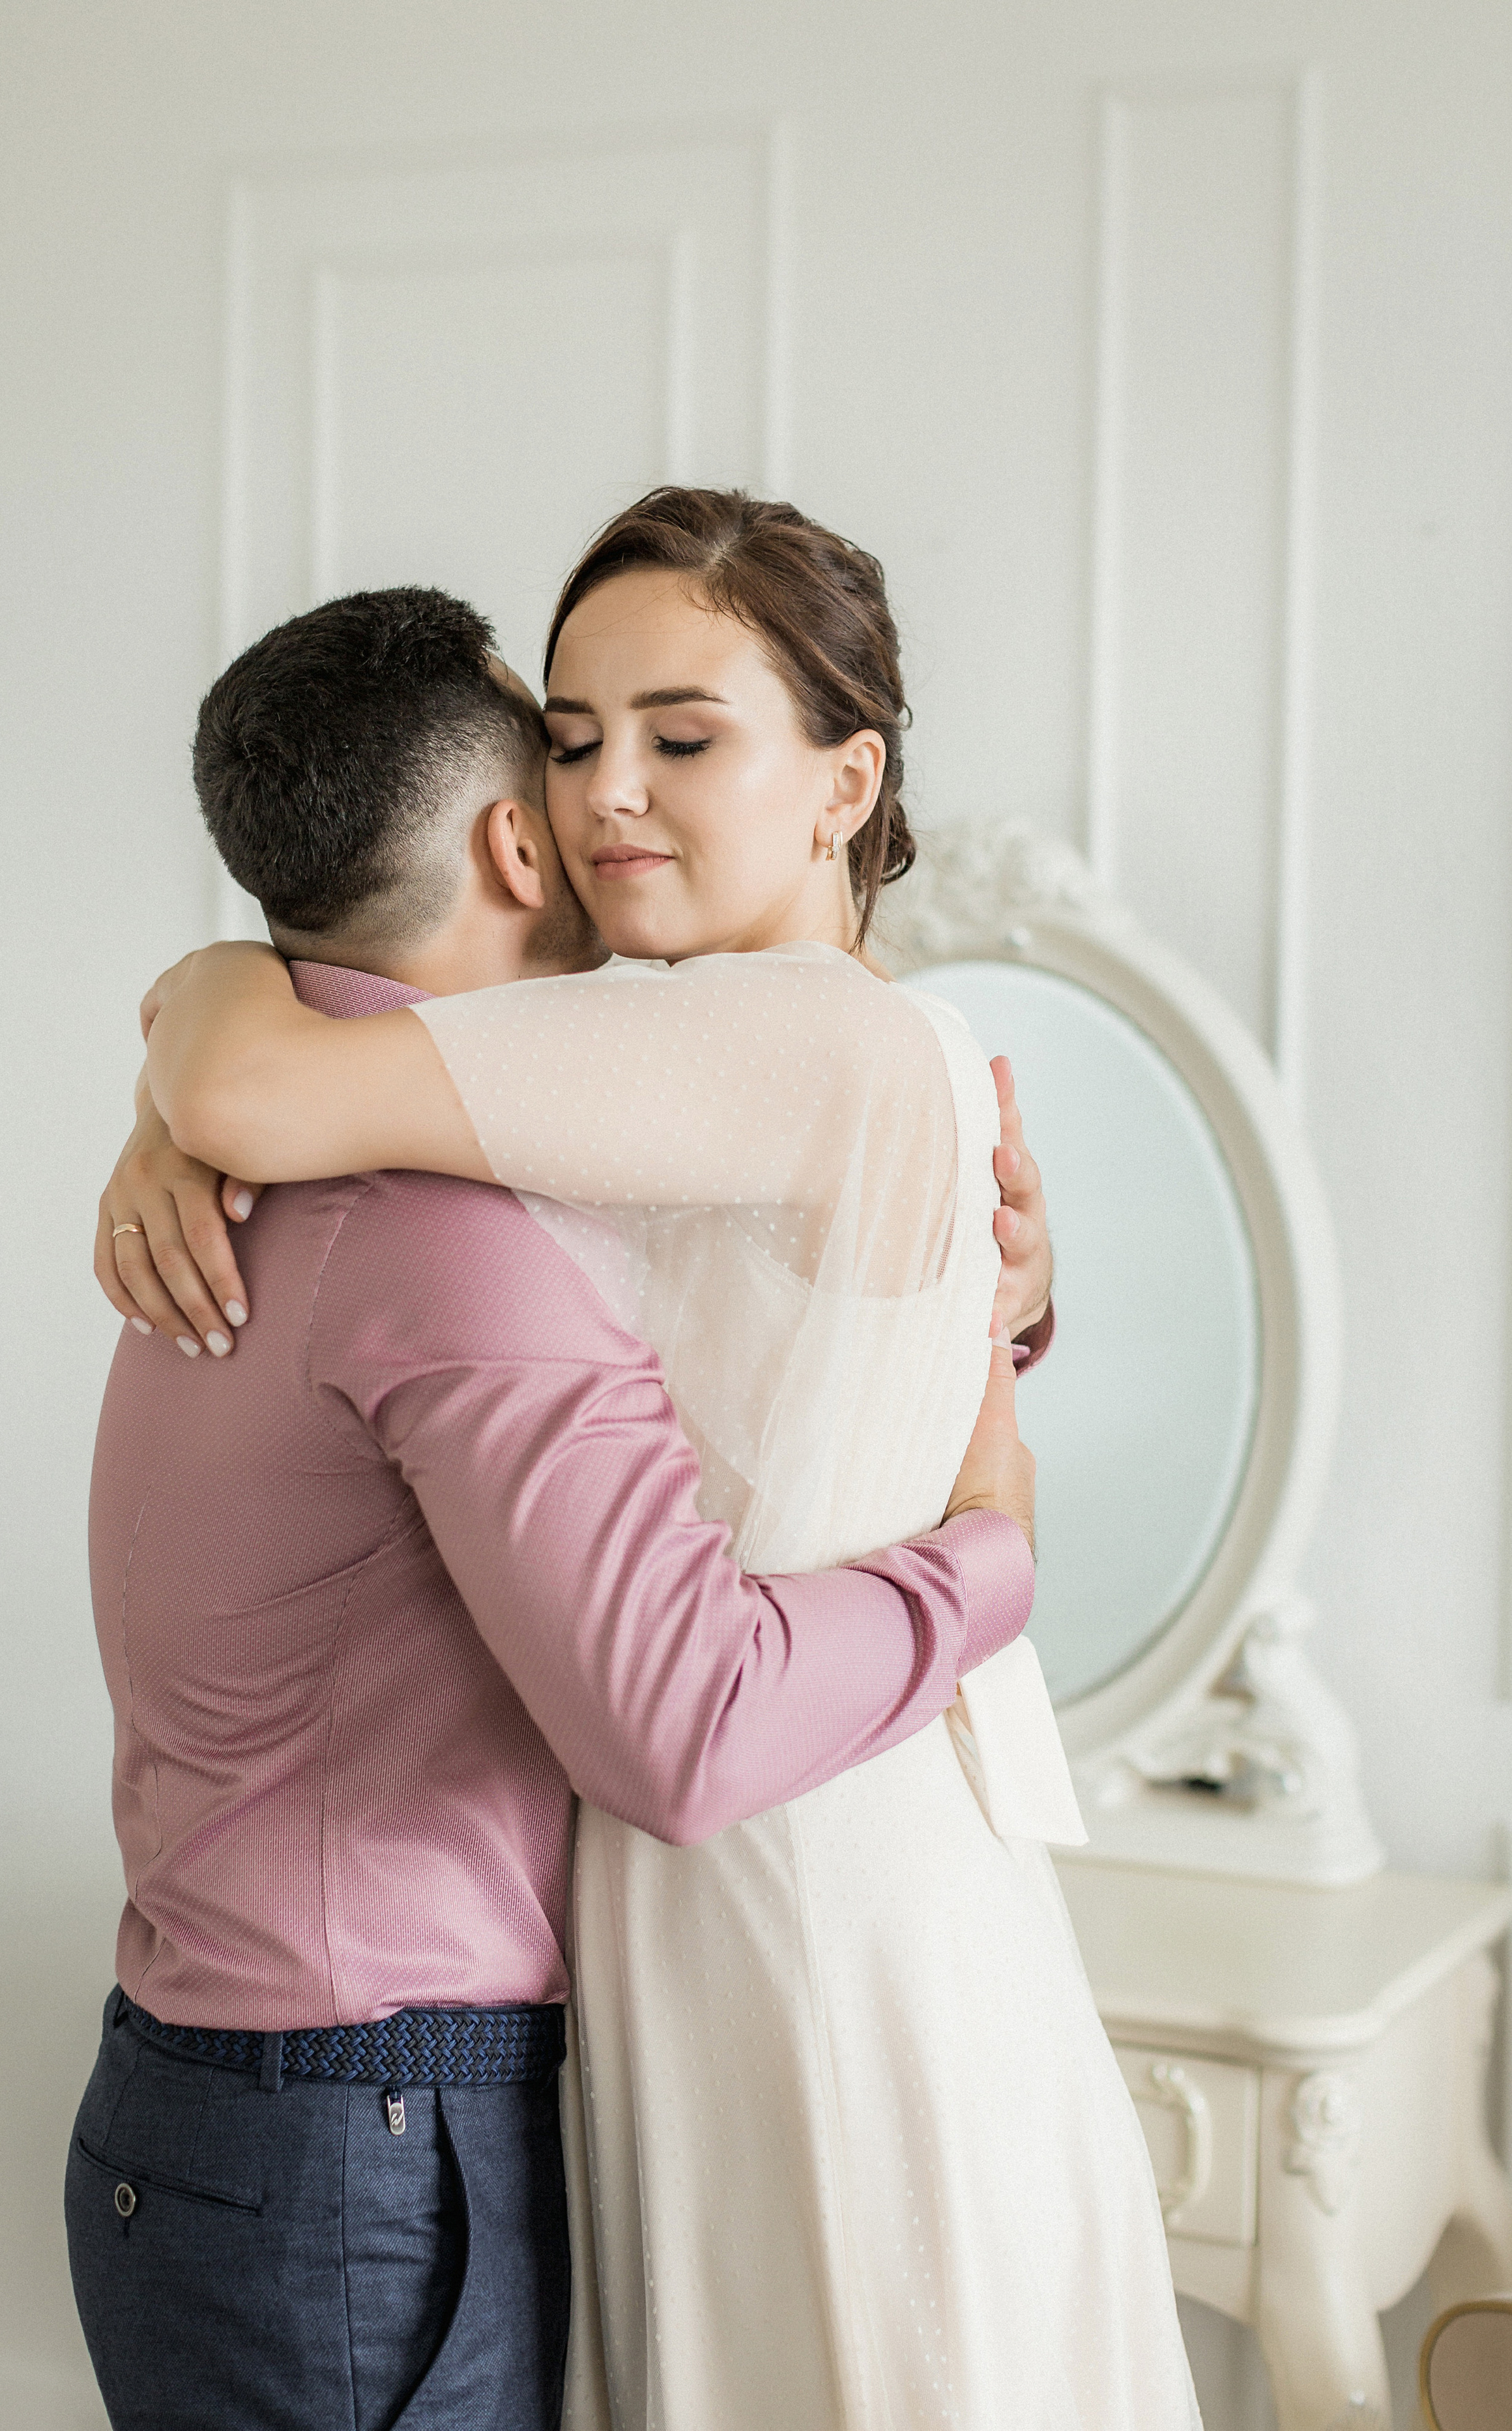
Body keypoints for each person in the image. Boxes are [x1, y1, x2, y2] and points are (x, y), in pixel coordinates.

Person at [141, 491, 1201, 2428]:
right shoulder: (687, 1047)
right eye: (568, 737)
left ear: (841, 780)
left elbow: (261, 1077)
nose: (606, 794)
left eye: (683, 739)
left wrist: (192, 1041)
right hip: (744, 1851)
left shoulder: (787, 1040)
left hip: (792, 1868)